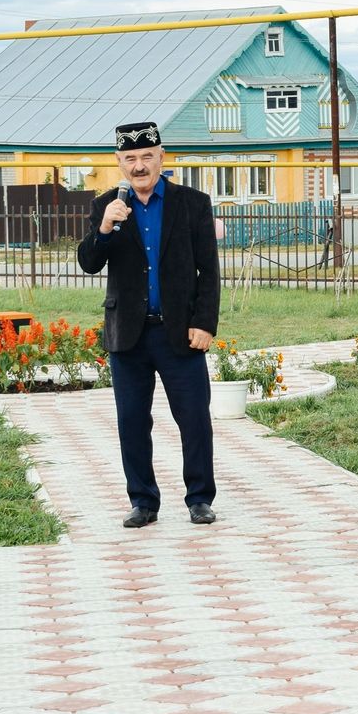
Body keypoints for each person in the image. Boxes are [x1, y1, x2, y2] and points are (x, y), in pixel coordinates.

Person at [77, 121, 222, 528]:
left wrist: (204, 323)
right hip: (128, 335)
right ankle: (143, 501)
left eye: (146, 157)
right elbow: (89, 263)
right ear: (119, 162)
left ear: (161, 156)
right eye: (130, 159)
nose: (139, 166)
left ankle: (199, 498)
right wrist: (105, 227)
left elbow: (208, 271)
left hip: (180, 333)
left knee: (194, 418)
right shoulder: (107, 205)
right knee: (133, 422)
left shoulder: (193, 203)